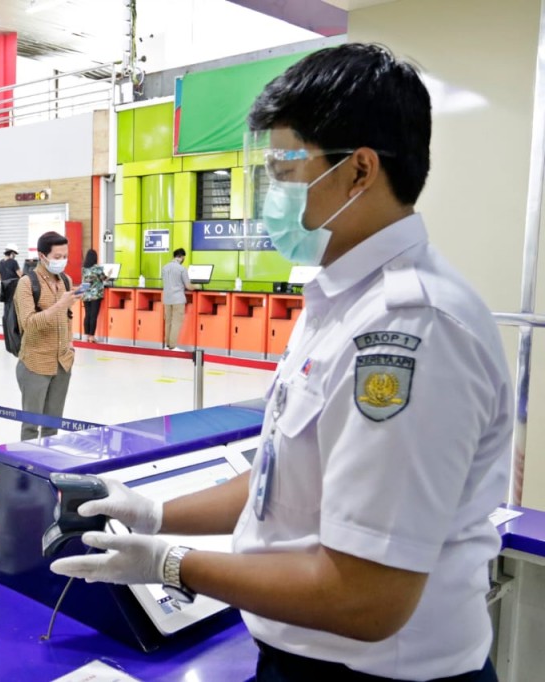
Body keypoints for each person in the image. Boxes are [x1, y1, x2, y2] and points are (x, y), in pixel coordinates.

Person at [52, 43, 510, 682]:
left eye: (285, 170)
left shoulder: (409, 328)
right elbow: (286, 477)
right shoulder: (337, 302)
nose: (270, 193)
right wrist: (154, 512)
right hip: (301, 657)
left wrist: (171, 563)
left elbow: (367, 597)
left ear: (359, 171)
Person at [14, 230, 82, 440]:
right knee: (32, 426)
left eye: (65, 256)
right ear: (43, 256)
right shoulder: (27, 283)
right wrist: (60, 304)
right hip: (35, 362)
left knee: (53, 424)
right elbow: (28, 323)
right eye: (57, 257)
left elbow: (67, 317)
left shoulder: (66, 281)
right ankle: (28, 468)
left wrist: (69, 345)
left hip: (62, 362)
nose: (62, 261)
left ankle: (47, 463)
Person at [160, 248, 196, 349]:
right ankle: (173, 346)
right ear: (182, 257)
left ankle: (167, 345)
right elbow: (188, 286)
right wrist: (197, 287)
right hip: (178, 300)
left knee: (168, 322)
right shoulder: (182, 269)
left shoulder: (164, 267)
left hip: (167, 299)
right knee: (176, 322)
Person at [80, 248, 108, 343]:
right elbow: (103, 278)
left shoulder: (84, 269)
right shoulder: (97, 268)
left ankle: (86, 336)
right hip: (95, 295)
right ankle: (92, 337)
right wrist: (110, 274)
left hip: (85, 294)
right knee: (93, 316)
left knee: (87, 315)